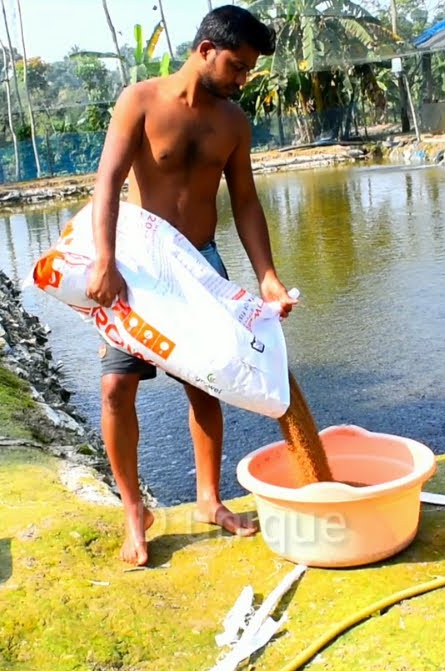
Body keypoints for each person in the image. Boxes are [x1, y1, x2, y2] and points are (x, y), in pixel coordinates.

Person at [85, 5, 297, 566]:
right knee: (116, 389)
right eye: (237, 65)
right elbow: (107, 181)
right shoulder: (140, 101)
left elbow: (246, 201)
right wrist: (104, 259)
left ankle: (209, 499)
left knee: (208, 384)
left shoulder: (233, 123)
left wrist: (267, 277)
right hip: (139, 265)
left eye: (249, 70)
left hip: (201, 266)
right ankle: (134, 510)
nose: (242, 79)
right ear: (205, 50)